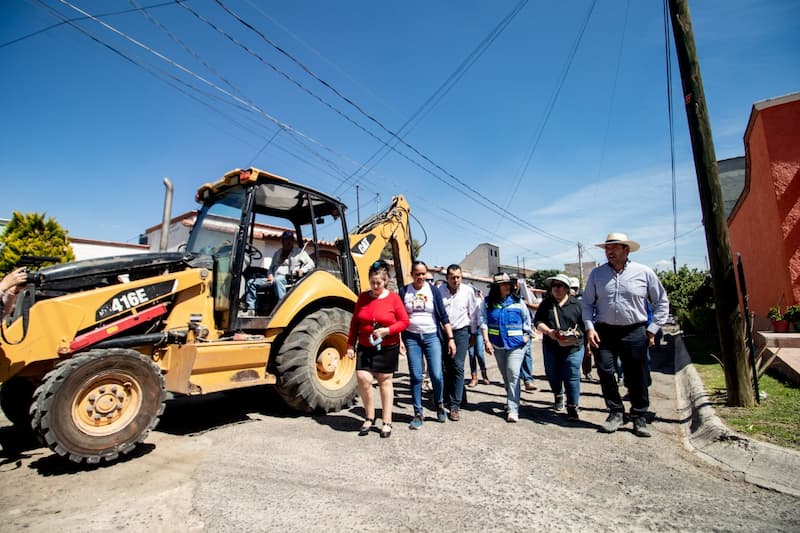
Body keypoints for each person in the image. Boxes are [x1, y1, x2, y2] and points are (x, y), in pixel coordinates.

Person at [582, 233, 669, 437]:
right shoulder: (597, 275)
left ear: (626, 250)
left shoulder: (644, 272)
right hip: (604, 331)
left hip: (635, 330)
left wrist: (652, 329)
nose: (609, 252)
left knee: (636, 374)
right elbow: (586, 304)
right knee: (604, 371)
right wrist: (590, 328)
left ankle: (639, 416)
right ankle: (616, 413)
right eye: (606, 248)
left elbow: (662, 302)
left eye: (614, 248)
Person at [346, 260, 409, 438]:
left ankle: (386, 421)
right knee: (363, 378)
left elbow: (404, 322)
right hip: (365, 347)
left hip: (387, 347)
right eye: (372, 282)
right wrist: (350, 344)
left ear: (385, 281)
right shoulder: (363, 297)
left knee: (384, 381)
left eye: (378, 283)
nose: (375, 286)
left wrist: (387, 330)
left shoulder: (394, 299)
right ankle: (369, 417)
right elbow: (355, 323)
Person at [400, 261, 454, 429]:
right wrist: (400, 340)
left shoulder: (433, 290)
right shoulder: (404, 291)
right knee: (416, 376)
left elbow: (443, 316)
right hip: (412, 338)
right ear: (412, 274)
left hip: (432, 337)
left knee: (436, 375)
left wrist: (450, 338)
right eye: (417, 274)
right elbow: (398, 317)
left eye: (423, 274)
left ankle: (439, 404)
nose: (421, 277)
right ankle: (418, 413)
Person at [481, 272, 533, 423]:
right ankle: (512, 399)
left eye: (508, 284)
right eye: (503, 284)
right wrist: (486, 341)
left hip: (516, 345)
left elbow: (527, 321)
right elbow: (483, 321)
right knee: (506, 376)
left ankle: (513, 409)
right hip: (498, 345)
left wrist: (526, 335)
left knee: (513, 374)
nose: (507, 287)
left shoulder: (518, 302)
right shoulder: (487, 303)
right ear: (497, 287)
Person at [534, 273, 585, 421]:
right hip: (551, 346)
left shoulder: (577, 305)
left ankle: (572, 406)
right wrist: (549, 331)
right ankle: (558, 394)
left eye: (559, 286)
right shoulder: (546, 304)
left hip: (574, 346)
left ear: (567, 288)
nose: (555, 289)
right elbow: (538, 321)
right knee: (553, 374)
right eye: (553, 286)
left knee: (572, 374)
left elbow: (585, 326)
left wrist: (587, 346)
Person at [437, 264, 480, 421]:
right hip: (443, 333)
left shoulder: (468, 291)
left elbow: (474, 313)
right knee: (447, 367)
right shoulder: (440, 291)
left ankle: (455, 405)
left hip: (461, 331)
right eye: (452, 277)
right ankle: (455, 397)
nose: (456, 280)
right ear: (447, 278)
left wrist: (474, 333)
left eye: (458, 277)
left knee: (458, 366)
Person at [244, 230, 314, 314]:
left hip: (289, 279)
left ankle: (283, 307)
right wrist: (270, 275)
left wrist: (302, 270)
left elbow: (311, 264)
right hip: (273, 279)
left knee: (278, 280)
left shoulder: (299, 252)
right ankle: (251, 309)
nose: (288, 242)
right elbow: (271, 268)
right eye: (286, 239)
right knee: (251, 282)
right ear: (282, 241)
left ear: (293, 241)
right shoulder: (277, 253)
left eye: (290, 239)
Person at [517, 278, 541, 391]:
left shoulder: (527, 294)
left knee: (526, 353)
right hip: (512, 329)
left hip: (526, 328)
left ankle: (527, 379)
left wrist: (527, 304)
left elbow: (538, 307)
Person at [467, 288, 489, 387]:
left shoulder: (480, 301)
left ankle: (484, 375)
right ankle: (474, 377)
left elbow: (484, 314)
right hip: (469, 329)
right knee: (471, 354)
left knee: (479, 353)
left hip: (479, 329)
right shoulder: (466, 302)